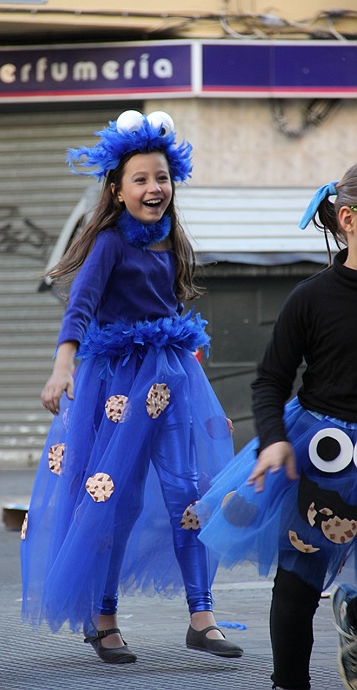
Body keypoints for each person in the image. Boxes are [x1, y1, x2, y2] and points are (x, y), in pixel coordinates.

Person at [20, 109, 243, 664]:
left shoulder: (173, 241)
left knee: (187, 492)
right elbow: (80, 307)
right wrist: (62, 366)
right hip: (118, 384)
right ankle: (104, 618)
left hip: (170, 378)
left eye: (161, 177)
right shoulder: (109, 244)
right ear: (118, 191)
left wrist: (196, 384)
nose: (153, 188)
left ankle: (202, 616)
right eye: (140, 179)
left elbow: (173, 311)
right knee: (114, 498)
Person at [195, 163, 357, 690]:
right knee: (296, 587)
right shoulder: (311, 298)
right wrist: (272, 441)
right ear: (349, 219)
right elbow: (270, 380)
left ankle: (353, 628)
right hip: (324, 458)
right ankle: (289, 683)